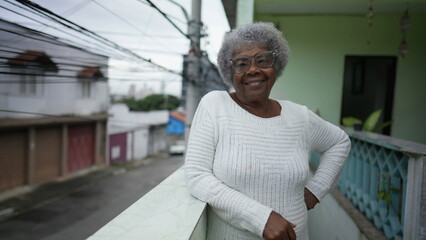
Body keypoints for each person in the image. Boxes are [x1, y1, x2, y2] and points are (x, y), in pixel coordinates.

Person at [184, 22, 351, 240]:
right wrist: (261, 218)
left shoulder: (299, 116)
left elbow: (339, 142)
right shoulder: (214, 105)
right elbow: (197, 175)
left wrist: (315, 191)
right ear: (230, 71)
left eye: (262, 60)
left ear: (276, 65)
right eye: (241, 64)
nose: (253, 69)